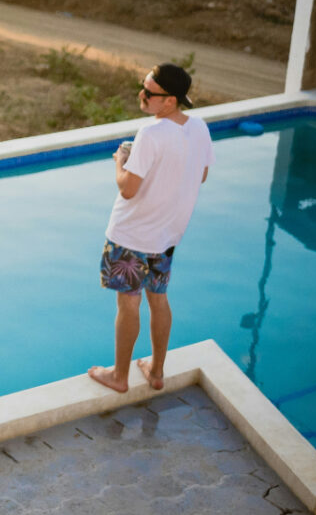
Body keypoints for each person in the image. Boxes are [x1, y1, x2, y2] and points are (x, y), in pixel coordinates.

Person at [88, 63, 214, 394]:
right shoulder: (199, 127)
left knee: (128, 304)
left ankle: (119, 376)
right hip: (167, 237)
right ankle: (156, 371)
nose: (141, 95)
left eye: (149, 92)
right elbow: (199, 174)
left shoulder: (151, 134)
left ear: (170, 100)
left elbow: (128, 189)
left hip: (130, 236)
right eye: (142, 87)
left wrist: (121, 161)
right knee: (158, 299)